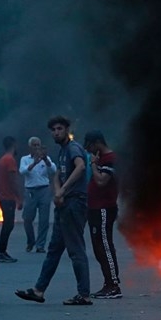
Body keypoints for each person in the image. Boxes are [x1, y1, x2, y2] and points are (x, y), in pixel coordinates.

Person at [15, 115, 92, 306]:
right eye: (53, 130)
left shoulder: (73, 148)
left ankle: (84, 294)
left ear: (66, 130)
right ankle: (38, 290)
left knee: (76, 250)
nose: (56, 132)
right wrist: (57, 191)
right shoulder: (63, 151)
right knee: (54, 249)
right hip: (64, 204)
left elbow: (80, 167)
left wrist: (63, 190)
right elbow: (58, 173)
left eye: (59, 129)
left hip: (74, 203)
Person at [84, 130, 122, 298]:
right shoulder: (101, 158)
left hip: (104, 208)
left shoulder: (110, 159)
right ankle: (108, 283)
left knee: (105, 246)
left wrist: (93, 164)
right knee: (98, 247)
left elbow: (101, 181)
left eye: (90, 146)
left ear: (97, 143)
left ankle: (114, 285)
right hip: (94, 208)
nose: (89, 150)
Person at [19, 136, 56, 253]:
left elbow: (53, 170)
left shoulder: (46, 159)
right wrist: (34, 163)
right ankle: (31, 241)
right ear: (29, 147)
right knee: (27, 218)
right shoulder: (25, 159)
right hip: (30, 191)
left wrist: (45, 160)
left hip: (44, 190)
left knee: (44, 220)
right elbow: (22, 171)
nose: (36, 147)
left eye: (38, 145)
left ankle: (40, 245)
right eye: (34, 145)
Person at [0, 136, 23, 263]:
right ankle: (2, 252)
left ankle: (2, 251)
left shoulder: (2, 159)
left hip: (2, 195)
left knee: (7, 224)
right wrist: (19, 197)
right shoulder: (10, 160)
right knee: (8, 224)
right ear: (13, 144)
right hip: (7, 197)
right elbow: (13, 180)